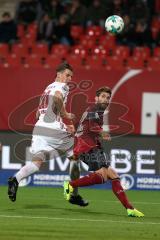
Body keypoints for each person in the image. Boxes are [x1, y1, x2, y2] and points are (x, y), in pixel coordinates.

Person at [8, 62, 88, 207]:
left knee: (36, 163)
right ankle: (73, 194)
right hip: (53, 127)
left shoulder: (47, 88)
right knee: (75, 156)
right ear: (59, 74)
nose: (69, 78)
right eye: (67, 75)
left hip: (39, 128)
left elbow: (38, 112)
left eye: (71, 76)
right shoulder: (62, 87)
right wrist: (66, 115)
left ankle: (15, 179)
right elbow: (57, 98)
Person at [64, 86, 144, 217]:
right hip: (87, 147)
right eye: (103, 96)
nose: (106, 100)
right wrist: (102, 132)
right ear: (96, 98)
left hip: (92, 146)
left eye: (108, 98)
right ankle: (70, 185)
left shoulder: (97, 111)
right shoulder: (93, 109)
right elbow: (91, 126)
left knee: (113, 175)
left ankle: (130, 209)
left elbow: (85, 125)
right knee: (103, 176)